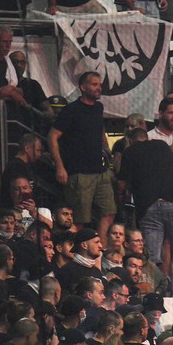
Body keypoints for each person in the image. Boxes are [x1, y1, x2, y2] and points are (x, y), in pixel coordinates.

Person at [117, 129, 173, 294]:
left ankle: (155, 293)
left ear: (129, 140)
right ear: (147, 138)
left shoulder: (129, 151)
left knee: (151, 254)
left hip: (149, 204)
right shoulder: (162, 146)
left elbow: (122, 184)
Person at [49, 71, 116, 234]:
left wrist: (107, 150)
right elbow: (52, 136)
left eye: (100, 84)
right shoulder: (71, 110)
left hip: (99, 171)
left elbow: (101, 130)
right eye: (94, 84)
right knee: (79, 219)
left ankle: (99, 249)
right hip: (78, 173)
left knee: (109, 212)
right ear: (83, 87)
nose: (98, 88)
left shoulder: (98, 108)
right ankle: (73, 253)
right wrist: (60, 167)